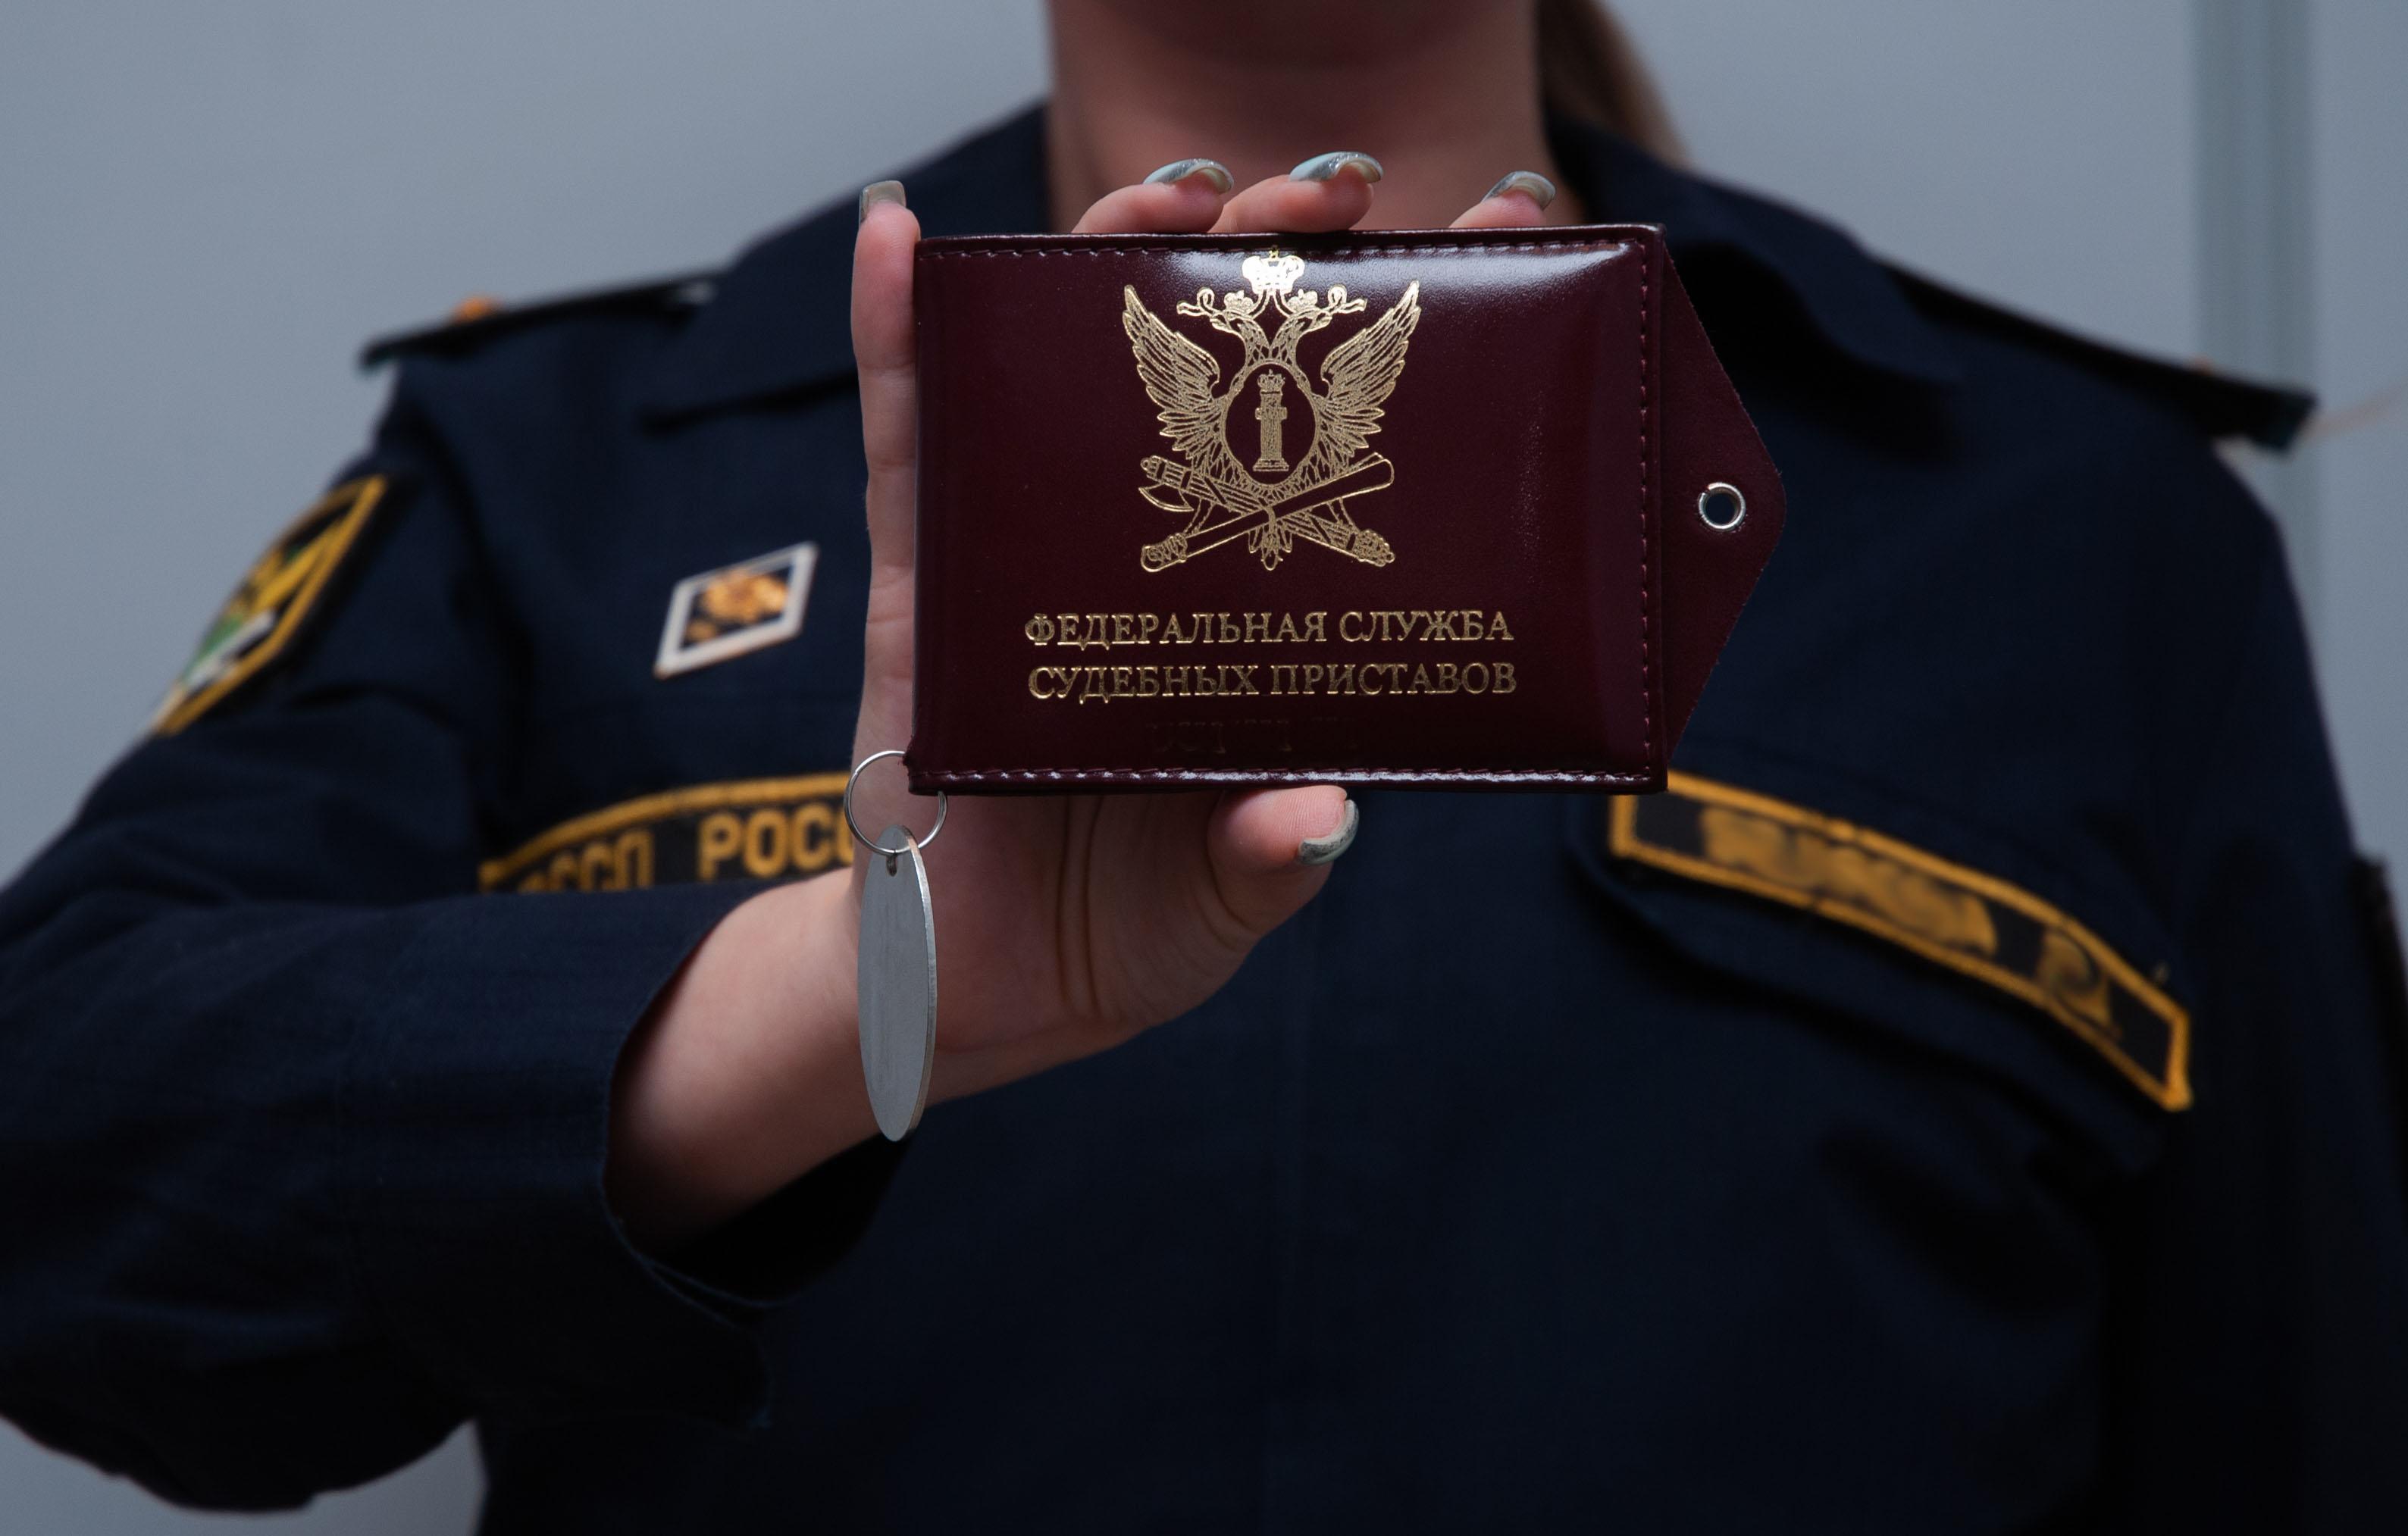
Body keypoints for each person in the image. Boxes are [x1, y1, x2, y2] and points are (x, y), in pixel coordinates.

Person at [2, 0, 2403, 1528]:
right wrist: (855, 993)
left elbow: (2313, 1434)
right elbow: (66, 1202)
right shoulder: (556, 469)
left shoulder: (2082, 531)